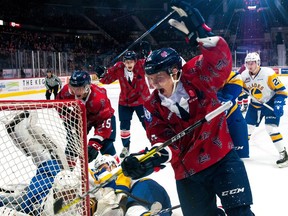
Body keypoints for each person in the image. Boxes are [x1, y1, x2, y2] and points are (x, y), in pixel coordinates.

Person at [121, 1, 255, 215]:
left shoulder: (196, 75)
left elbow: (220, 66)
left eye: (159, 78)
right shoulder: (152, 105)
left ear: (175, 72)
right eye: (150, 79)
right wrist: (153, 157)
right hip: (188, 170)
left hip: (222, 158)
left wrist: (202, 35)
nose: (154, 85)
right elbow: (160, 136)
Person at [0, 110, 79, 216]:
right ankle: (20, 130)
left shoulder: (51, 208)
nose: (69, 196)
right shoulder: (69, 201)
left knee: (50, 154)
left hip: (40, 188)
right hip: (44, 185)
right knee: (53, 153)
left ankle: (17, 130)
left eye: (70, 193)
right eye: (67, 193)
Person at [95, 50, 151, 158]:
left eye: (131, 62)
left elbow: (152, 63)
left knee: (148, 123)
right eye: (127, 62)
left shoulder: (141, 65)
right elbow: (107, 79)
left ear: (135, 61)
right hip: (125, 101)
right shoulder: (119, 68)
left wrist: (148, 52)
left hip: (141, 100)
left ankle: (155, 142)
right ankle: (126, 147)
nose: (129, 64)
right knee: (124, 126)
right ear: (124, 62)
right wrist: (101, 75)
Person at [56, 70, 119, 164]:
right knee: (73, 144)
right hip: (80, 118)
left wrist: (95, 144)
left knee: (106, 144)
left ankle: (115, 166)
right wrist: (68, 117)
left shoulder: (99, 98)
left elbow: (105, 120)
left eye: (79, 88)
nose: (75, 91)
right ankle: (67, 170)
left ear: (87, 87)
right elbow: (58, 104)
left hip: (102, 119)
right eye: (73, 88)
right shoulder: (66, 91)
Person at [241, 52, 288, 167]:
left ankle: (284, 154)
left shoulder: (268, 73)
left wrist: (278, 103)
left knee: (271, 128)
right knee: (247, 128)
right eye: (247, 63)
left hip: (269, 103)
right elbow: (242, 91)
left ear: (258, 63)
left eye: (252, 63)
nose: (249, 65)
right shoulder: (244, 75)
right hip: (254, 105)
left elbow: (281, 90)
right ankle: (240, 151)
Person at [89, 154, 172, 216]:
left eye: (104, 167)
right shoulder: (101, 182)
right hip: (157, 207)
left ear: (113, 164)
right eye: (99, 169)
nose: (102, 171)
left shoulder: (122, 171)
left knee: (133, 209)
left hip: (148, 190)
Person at [217, 71, 250, 158]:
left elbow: (236, 81)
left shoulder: (232, 76)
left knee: (239, 153)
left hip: (232, 114)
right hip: (212, 115)